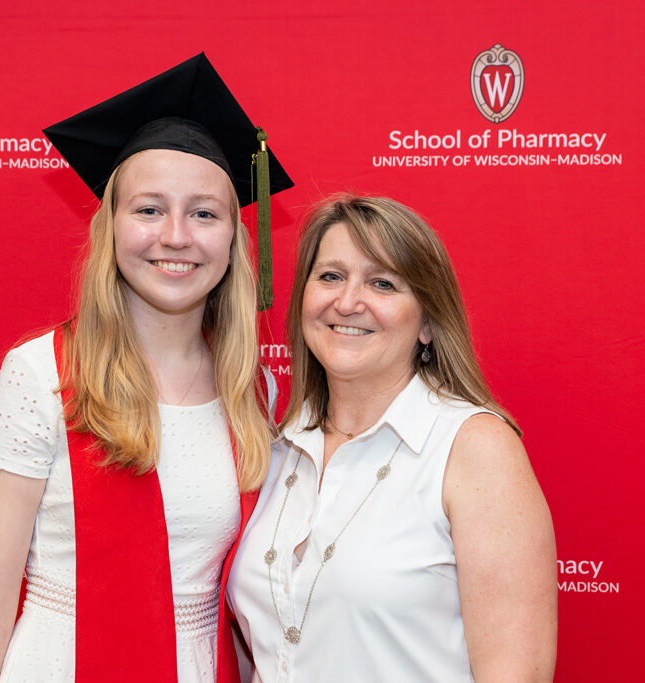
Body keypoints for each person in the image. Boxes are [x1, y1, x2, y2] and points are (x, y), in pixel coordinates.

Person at [0, 54, 292, 683]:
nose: (177, 236)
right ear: (110, 228)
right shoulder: (40, 375)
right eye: (149, 209)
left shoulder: (253, 390)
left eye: (205, 213)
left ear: (235, 240)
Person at [227, 195, 557, 681]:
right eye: (331, 276)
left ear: (427, 322)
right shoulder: (275, 448)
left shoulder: (472, 448)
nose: (347, 302)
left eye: (382, 283)